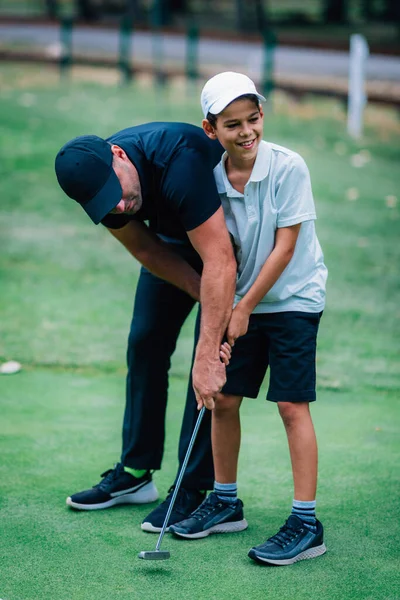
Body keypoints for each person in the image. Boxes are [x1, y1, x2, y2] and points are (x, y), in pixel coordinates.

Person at [169, 72, 328, 566]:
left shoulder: (288, 166)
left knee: (290, 405)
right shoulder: (211, 181)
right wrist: (231, 310)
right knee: (225, 400)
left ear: (263, 116)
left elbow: (284, 249)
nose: (246, 132)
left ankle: (306, 522)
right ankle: (225, 500)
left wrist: (243, 309)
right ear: (210, 128)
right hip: (243, 303)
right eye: (232, 123)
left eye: (253, 119)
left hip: (293, 299)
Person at [54, 121, 237, 531]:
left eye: (114, 192)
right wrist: (194, 289)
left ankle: (192, 487)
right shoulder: (105, 195)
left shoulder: (179, 160)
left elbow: (220, 261)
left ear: (118, 155)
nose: (117, 206)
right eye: (104, 203)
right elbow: (144, 247)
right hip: (173, 247)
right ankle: (136, 474)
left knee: (205, 361)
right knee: (145, 343)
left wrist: (209, 346)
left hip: (226, 248)